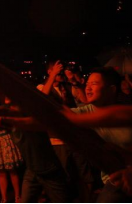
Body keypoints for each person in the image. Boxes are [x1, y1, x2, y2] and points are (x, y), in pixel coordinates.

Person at [71, 67, 132, 203]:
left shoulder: (128, 113)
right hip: (116, 179)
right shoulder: (85, 113)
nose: (88, 88)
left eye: (94, 84)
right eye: (87, 84)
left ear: (112, 89)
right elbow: (58, 115)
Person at [38, 60, 92, 201]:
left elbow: (85, 101)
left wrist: (74, 81)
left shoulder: (67, 87)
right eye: (58, 71)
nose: (61, 73)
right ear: (50, 72)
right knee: (65, 175)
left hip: (75, 136)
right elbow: (43, 97)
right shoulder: (42, 87)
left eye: (61, 71)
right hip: (57, 139)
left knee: (84, 173)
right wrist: (53, 75)